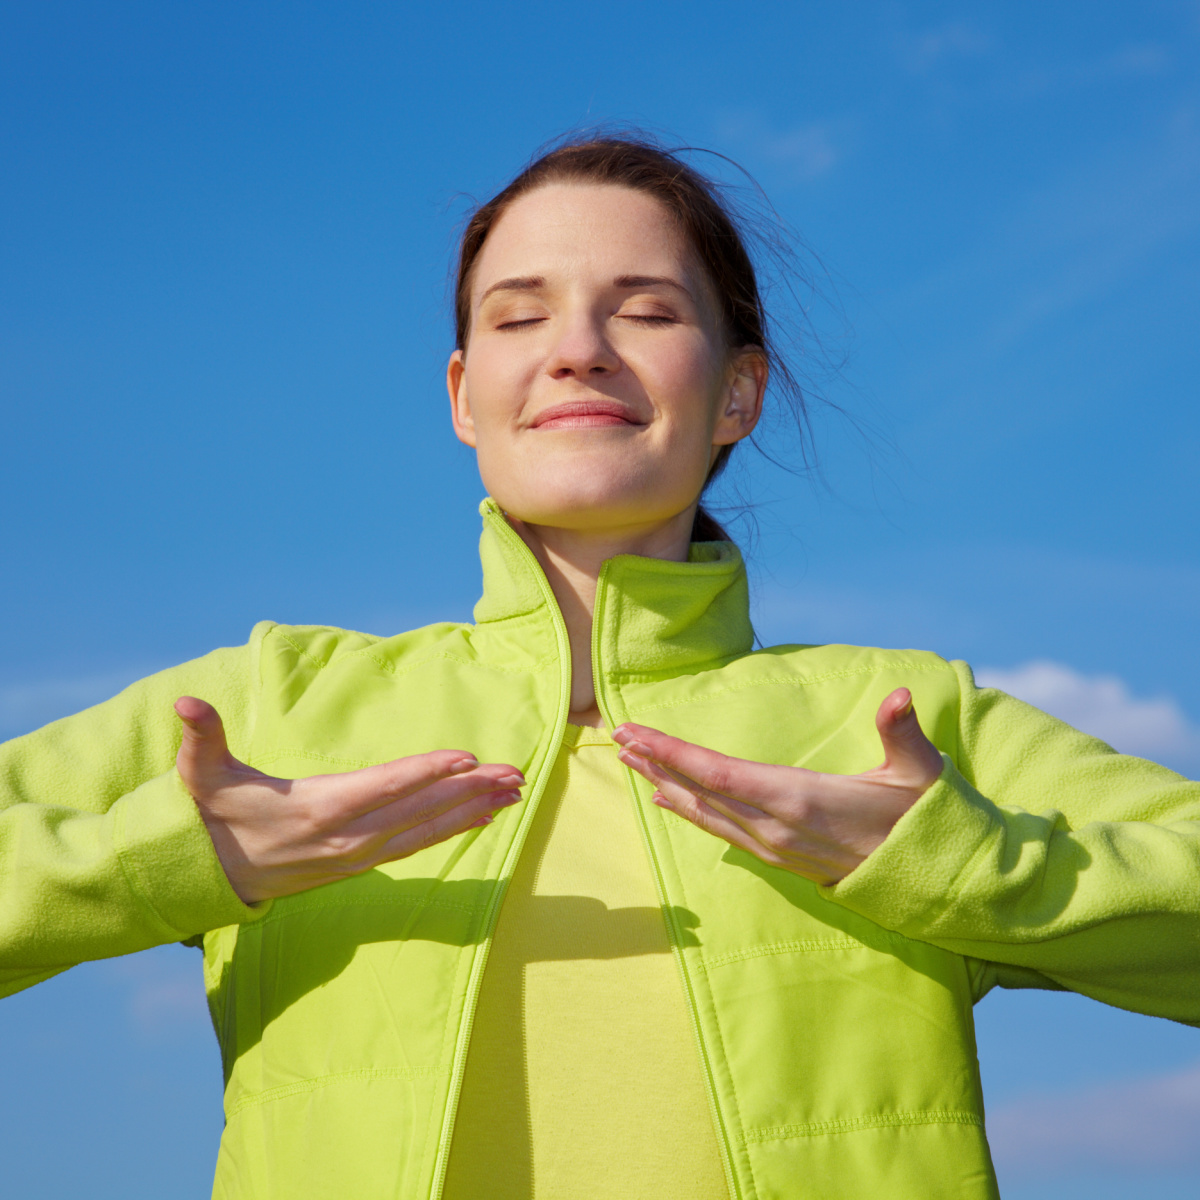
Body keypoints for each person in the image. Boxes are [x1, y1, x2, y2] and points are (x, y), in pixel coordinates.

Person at [2, 134, 1198, 1200]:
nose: (577, 350)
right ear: (466, 397)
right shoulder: (267, 704)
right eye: (519, 316)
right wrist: (167, 864)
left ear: (738, 391)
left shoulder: (903, 725)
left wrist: (955, 865)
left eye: (646, 310)